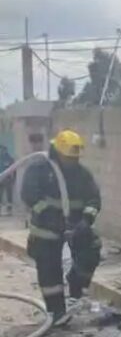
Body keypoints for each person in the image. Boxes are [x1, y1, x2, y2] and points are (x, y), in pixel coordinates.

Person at [22, 130, 101, 323]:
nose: (72, 161)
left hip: (75, 226)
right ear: (58, 152)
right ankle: (56, 312)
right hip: (46, 229)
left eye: (75, 158)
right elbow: (29, 195)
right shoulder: (39, 170)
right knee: (49, 270)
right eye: (68, 158)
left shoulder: (82, 174)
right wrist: (49, 217)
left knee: (92, 249)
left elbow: (94, 199)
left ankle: (76, 285)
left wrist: (86, 221)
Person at [0, 145, 15, 215]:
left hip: (8, 179)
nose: (1, 151)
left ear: (5, 150)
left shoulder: (9, 158)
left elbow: (14, 169)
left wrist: (13, 179)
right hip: (1, 178)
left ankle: (9, 210)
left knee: (9, 195)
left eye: (3, 150)